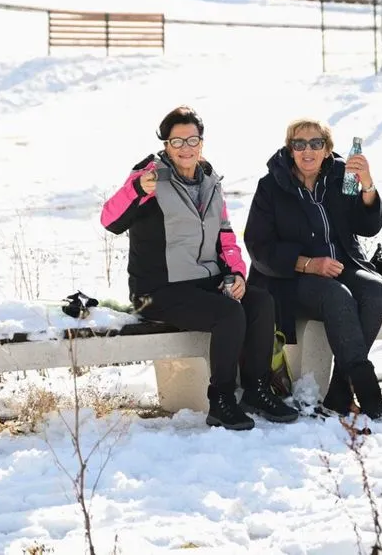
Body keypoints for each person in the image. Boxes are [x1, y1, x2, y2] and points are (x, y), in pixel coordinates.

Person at [100, 106, 299, 431]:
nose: (185, 148)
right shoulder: (149, 177)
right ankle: (221, 400)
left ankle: (256, 389)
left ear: (201, 143)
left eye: (192, 140)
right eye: (177, 141)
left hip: (203, 284)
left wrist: (236, 273)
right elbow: (109, 220)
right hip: (157, 290)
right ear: (166, 145)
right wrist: (136, 190)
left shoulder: (209, 179)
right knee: (228, 313)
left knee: (261, 302)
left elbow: (225, 236)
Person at [243, 118, 382, 420]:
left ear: (327, 149)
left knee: (377, 291)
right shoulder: (271, 186)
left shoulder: (340, 176)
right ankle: (366, 387)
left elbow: (367, 226)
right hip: (289, 277)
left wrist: (367, 184)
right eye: (299, 144)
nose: (307, 150)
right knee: (337, 295)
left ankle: (340, 389)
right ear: (290, 149)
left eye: (315, 143)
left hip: (342, 265)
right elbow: (259, 247)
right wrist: (309, 264)